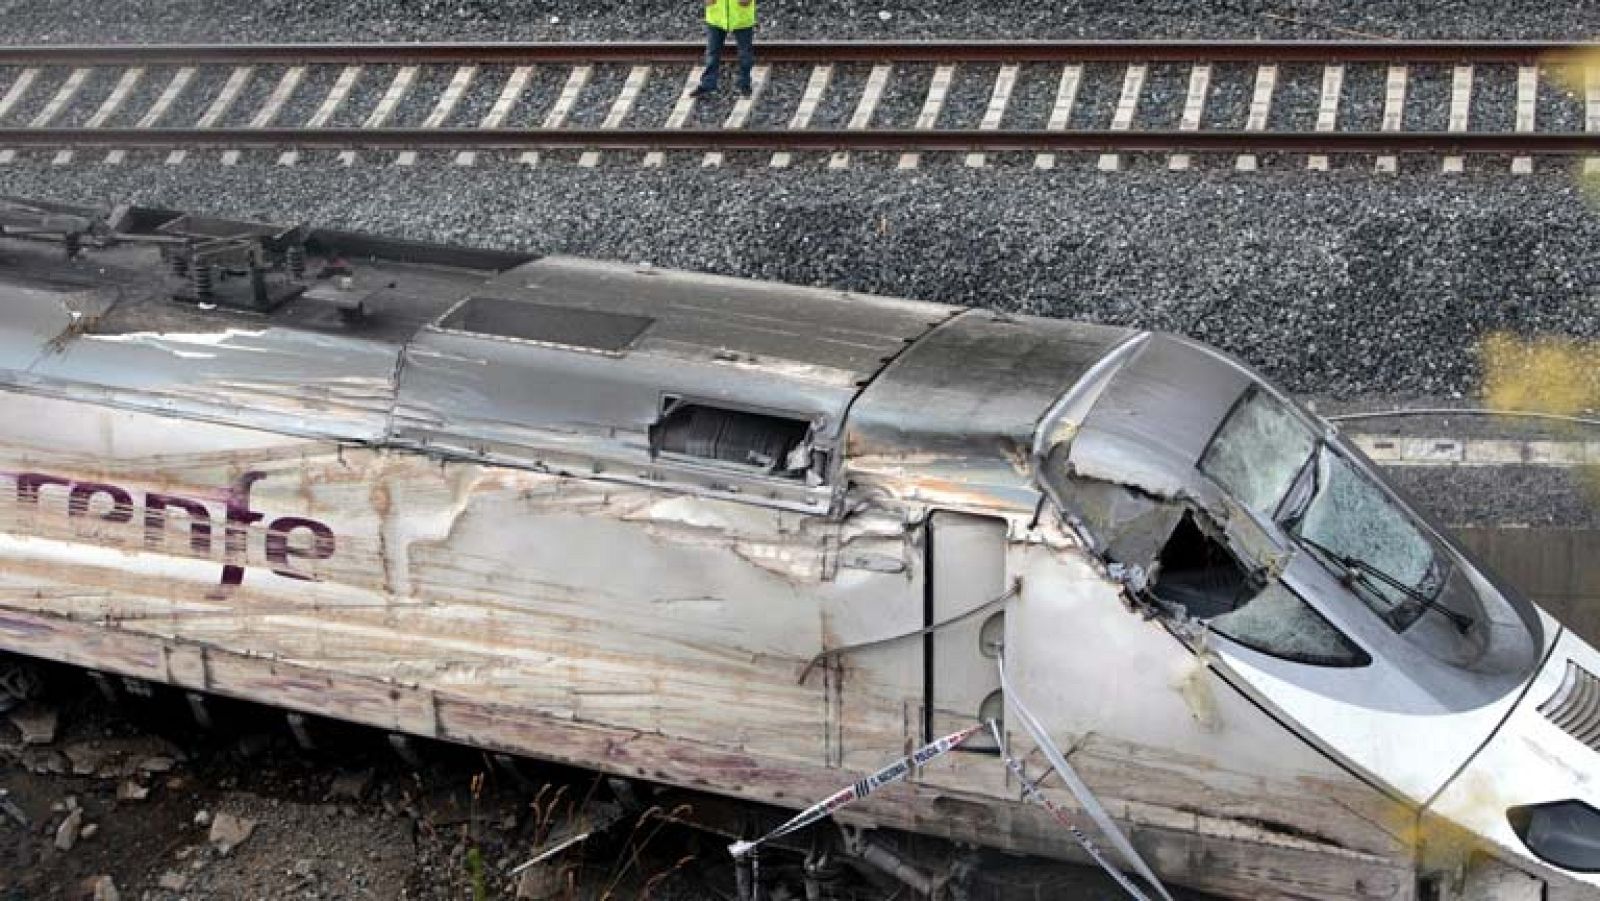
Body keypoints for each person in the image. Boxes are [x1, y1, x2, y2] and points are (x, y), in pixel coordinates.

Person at [692, 0, 756, 98]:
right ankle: (708, 84)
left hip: (741, 16)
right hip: (717, 15)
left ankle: (745, 84)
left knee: (745, 54)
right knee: (712, 53)